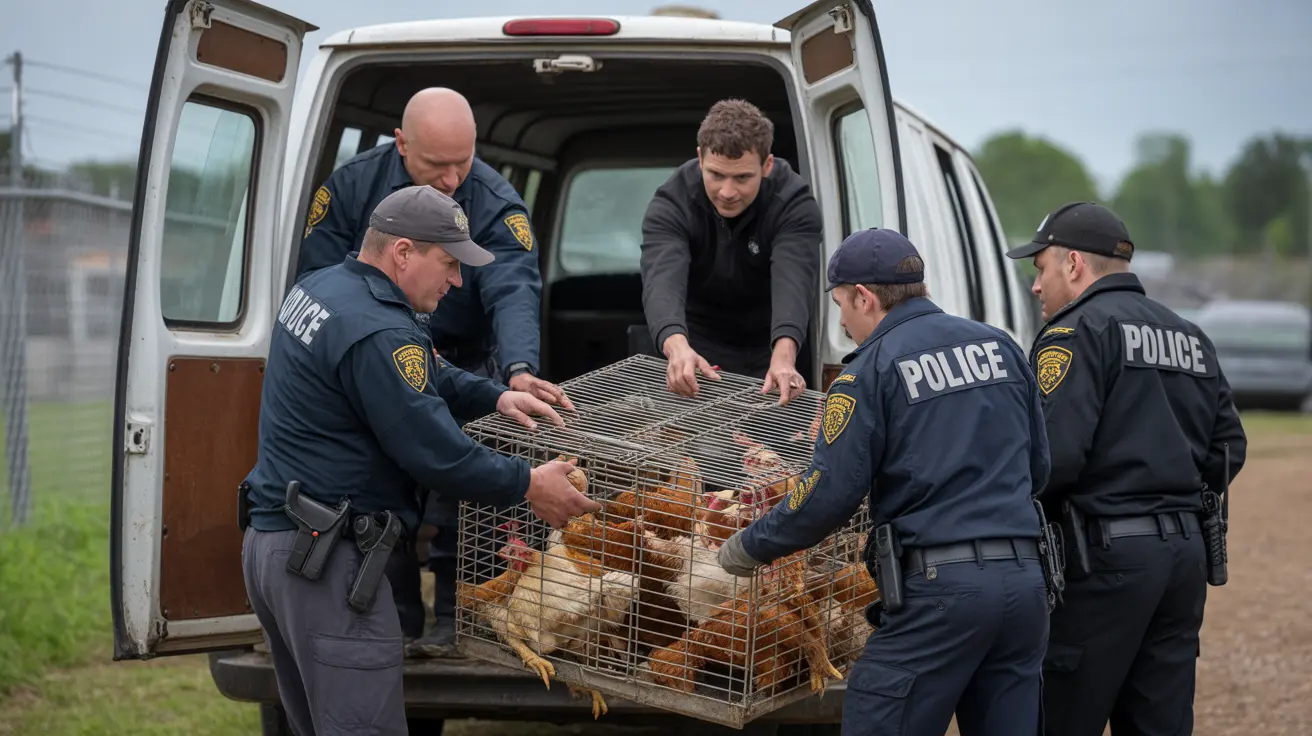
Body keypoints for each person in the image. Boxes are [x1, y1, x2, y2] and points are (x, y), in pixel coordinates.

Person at [239, 185, 599, 735]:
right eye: (449, 264)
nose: (456, 282)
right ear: (402, 253)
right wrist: (529, 482)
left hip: (278, 546)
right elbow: (440, 455)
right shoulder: (380, 329)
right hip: (327, 564)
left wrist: (495, 395)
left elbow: (424, 374)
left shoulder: (325, 288)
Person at [718, 228, 1055, 736]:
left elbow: (826, 495)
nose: (844, 323)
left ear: (865, 297)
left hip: (942, 593)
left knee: (880, 713)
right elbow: (1039, 467)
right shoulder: (1001, 346)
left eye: (840, 306)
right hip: (1026, 586)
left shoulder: (867, 372)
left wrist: (746, 547)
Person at [297, 86, 569, 657]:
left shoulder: (495, 200)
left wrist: (518, 369)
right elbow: (319, 284)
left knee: (458, 495)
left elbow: (513, 284)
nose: (450, 178)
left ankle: (454, 620)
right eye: (435, 164)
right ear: (400, 144)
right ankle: (392, 622)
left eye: (461, 163)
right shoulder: (350, 188)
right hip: (372, 353)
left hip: (463, 359)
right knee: (381, 488)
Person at [1005, 201, 1247, 736]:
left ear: (1073, 265)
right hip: (1183, 561)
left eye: (1039, 268)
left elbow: (1053, 458)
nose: (1036, 286)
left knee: (1062, 717)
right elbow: (1229, 445)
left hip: (1102, 560)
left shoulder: (1074, 332)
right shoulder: (1190, 336)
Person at [639, 98, 822, 406]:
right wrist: (675, 346)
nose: (727, 192)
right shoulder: (671, 202)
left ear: (767, 165)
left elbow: (794, 281)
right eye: (716, 175)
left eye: (742, 178)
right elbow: (662, 280)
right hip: (695, 344)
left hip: (773, 342)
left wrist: (785, 356)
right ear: (700, 159)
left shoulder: (794, 202)